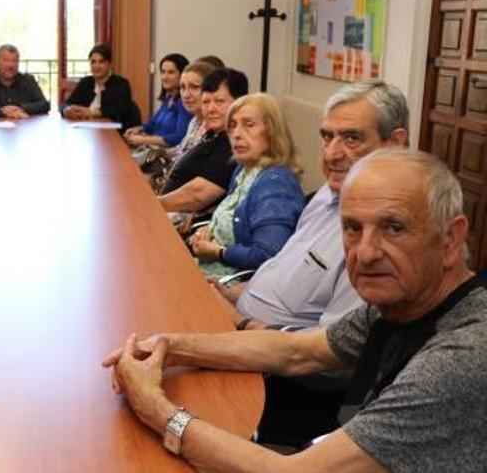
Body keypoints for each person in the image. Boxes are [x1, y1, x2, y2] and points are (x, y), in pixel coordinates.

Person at [103, 148, 486, 472]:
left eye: (394, 228)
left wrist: (156, 409)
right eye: (352, 228)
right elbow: (296, 352)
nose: (366, 252)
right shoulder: (402, 303)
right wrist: (167, 345)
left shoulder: (463, 354)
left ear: (451, 239)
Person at [215, 81, 409, 331]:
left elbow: (325, 352)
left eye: (351, 138)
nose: (330, 155)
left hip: (263, 356)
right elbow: (282, 275)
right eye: (327, 137)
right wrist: (228, 294)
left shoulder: (383, 238)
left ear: (394, 143)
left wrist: (237, 321)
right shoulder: (328, 193)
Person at [190, 93, 304, 279]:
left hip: (233, 288)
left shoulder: (275, 183)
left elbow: (268, 255)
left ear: (272, 131)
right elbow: (231, 220)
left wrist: (219, 252)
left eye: (248, 125)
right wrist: (209, 231)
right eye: (233, 126)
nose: (236, 134)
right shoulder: (244, 170)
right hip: (207, 272)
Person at [158, 68, 249, 214]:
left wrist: (152, 204)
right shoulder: (213, 134)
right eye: (206, 102)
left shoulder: (234, 142)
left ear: (239, 103)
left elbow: (197, 196)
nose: (211, 109)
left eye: (219, 101)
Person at [148, 60, 219, 192]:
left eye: (194, 87)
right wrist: (150, 156)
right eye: (183, 87)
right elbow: (180, 150)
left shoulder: (215, 129)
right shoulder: (195, 121)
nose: (186, 95)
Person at [61, 43, 141, 131]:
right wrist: (67, 110)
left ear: (109, 64)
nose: (96, 66)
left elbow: (120, 110)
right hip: (88, 131)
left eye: (101, 62)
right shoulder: (86, 82)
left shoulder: (121, 84)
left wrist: (91, 112)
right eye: (93, 62)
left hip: (115, 133)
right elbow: (66, 104)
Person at [124, 53, 190, 148]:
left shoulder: (185, 104)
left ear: (182, 75)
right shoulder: (168, 99)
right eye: (163, 72)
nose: (165, 77)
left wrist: (143, 140)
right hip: (153, 150)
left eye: (171, 72)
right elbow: (153, 125)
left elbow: (179, 138)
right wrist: (139, 129)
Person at [0, 44, 50, 118]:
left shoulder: (28, 81)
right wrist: (2, 111)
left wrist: (21, 108)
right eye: (6, 60)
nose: (10, 65)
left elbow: (45, 105)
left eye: (14, 61)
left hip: (23, 127)